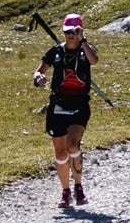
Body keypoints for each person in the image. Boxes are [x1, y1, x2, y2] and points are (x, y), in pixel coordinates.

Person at [33, 13, 94, 209]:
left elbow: (94, 61)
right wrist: (38, 77)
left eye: (75, 31)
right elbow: (39, 70)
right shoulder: (56, 51)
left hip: (80, 104)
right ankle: (65, 191)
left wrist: (83, 40)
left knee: (73, 146)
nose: (71, 35)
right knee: (60, 154)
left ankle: (78, 187)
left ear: (81, 31)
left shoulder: (86, 51)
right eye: (68, 31)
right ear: (63, 32)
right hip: (58, 104)